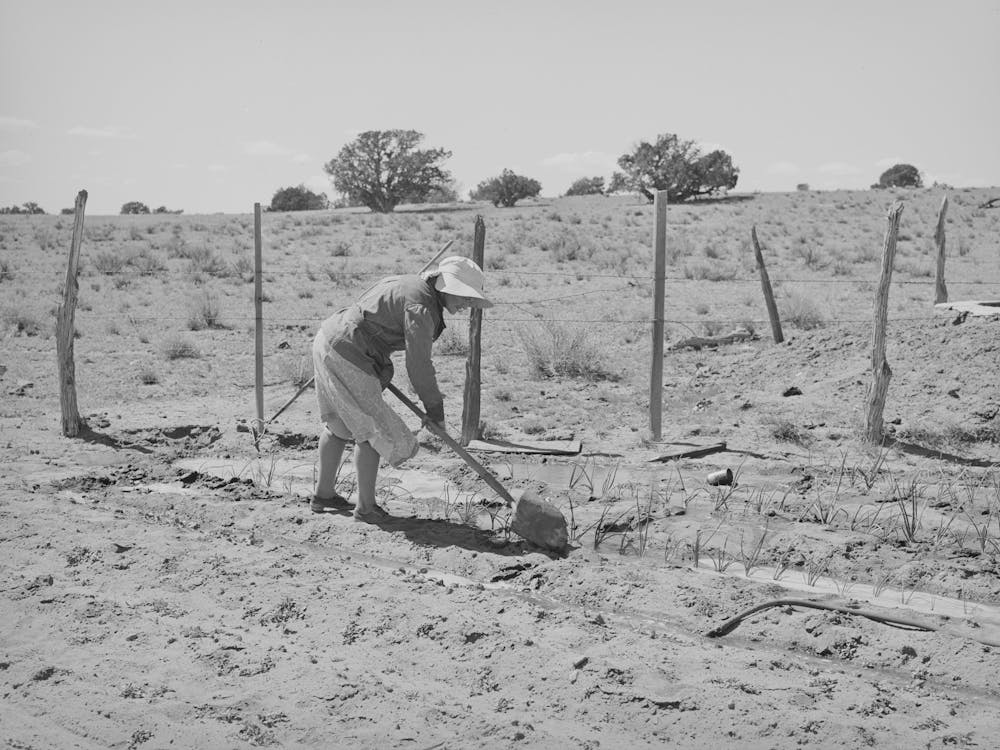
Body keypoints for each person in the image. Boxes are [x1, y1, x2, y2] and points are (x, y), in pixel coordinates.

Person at [310, 255, 493, 521]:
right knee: (373, 431)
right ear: (446, 286)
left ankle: (324, 496)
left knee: (340, 425)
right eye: (464, 296)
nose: (467, 304)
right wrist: (435, 411)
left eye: (470, 298)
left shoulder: (412, 286)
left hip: (329, 339)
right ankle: (366, 508)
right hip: (350, 352)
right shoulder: (421, 306)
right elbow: (418, 365)